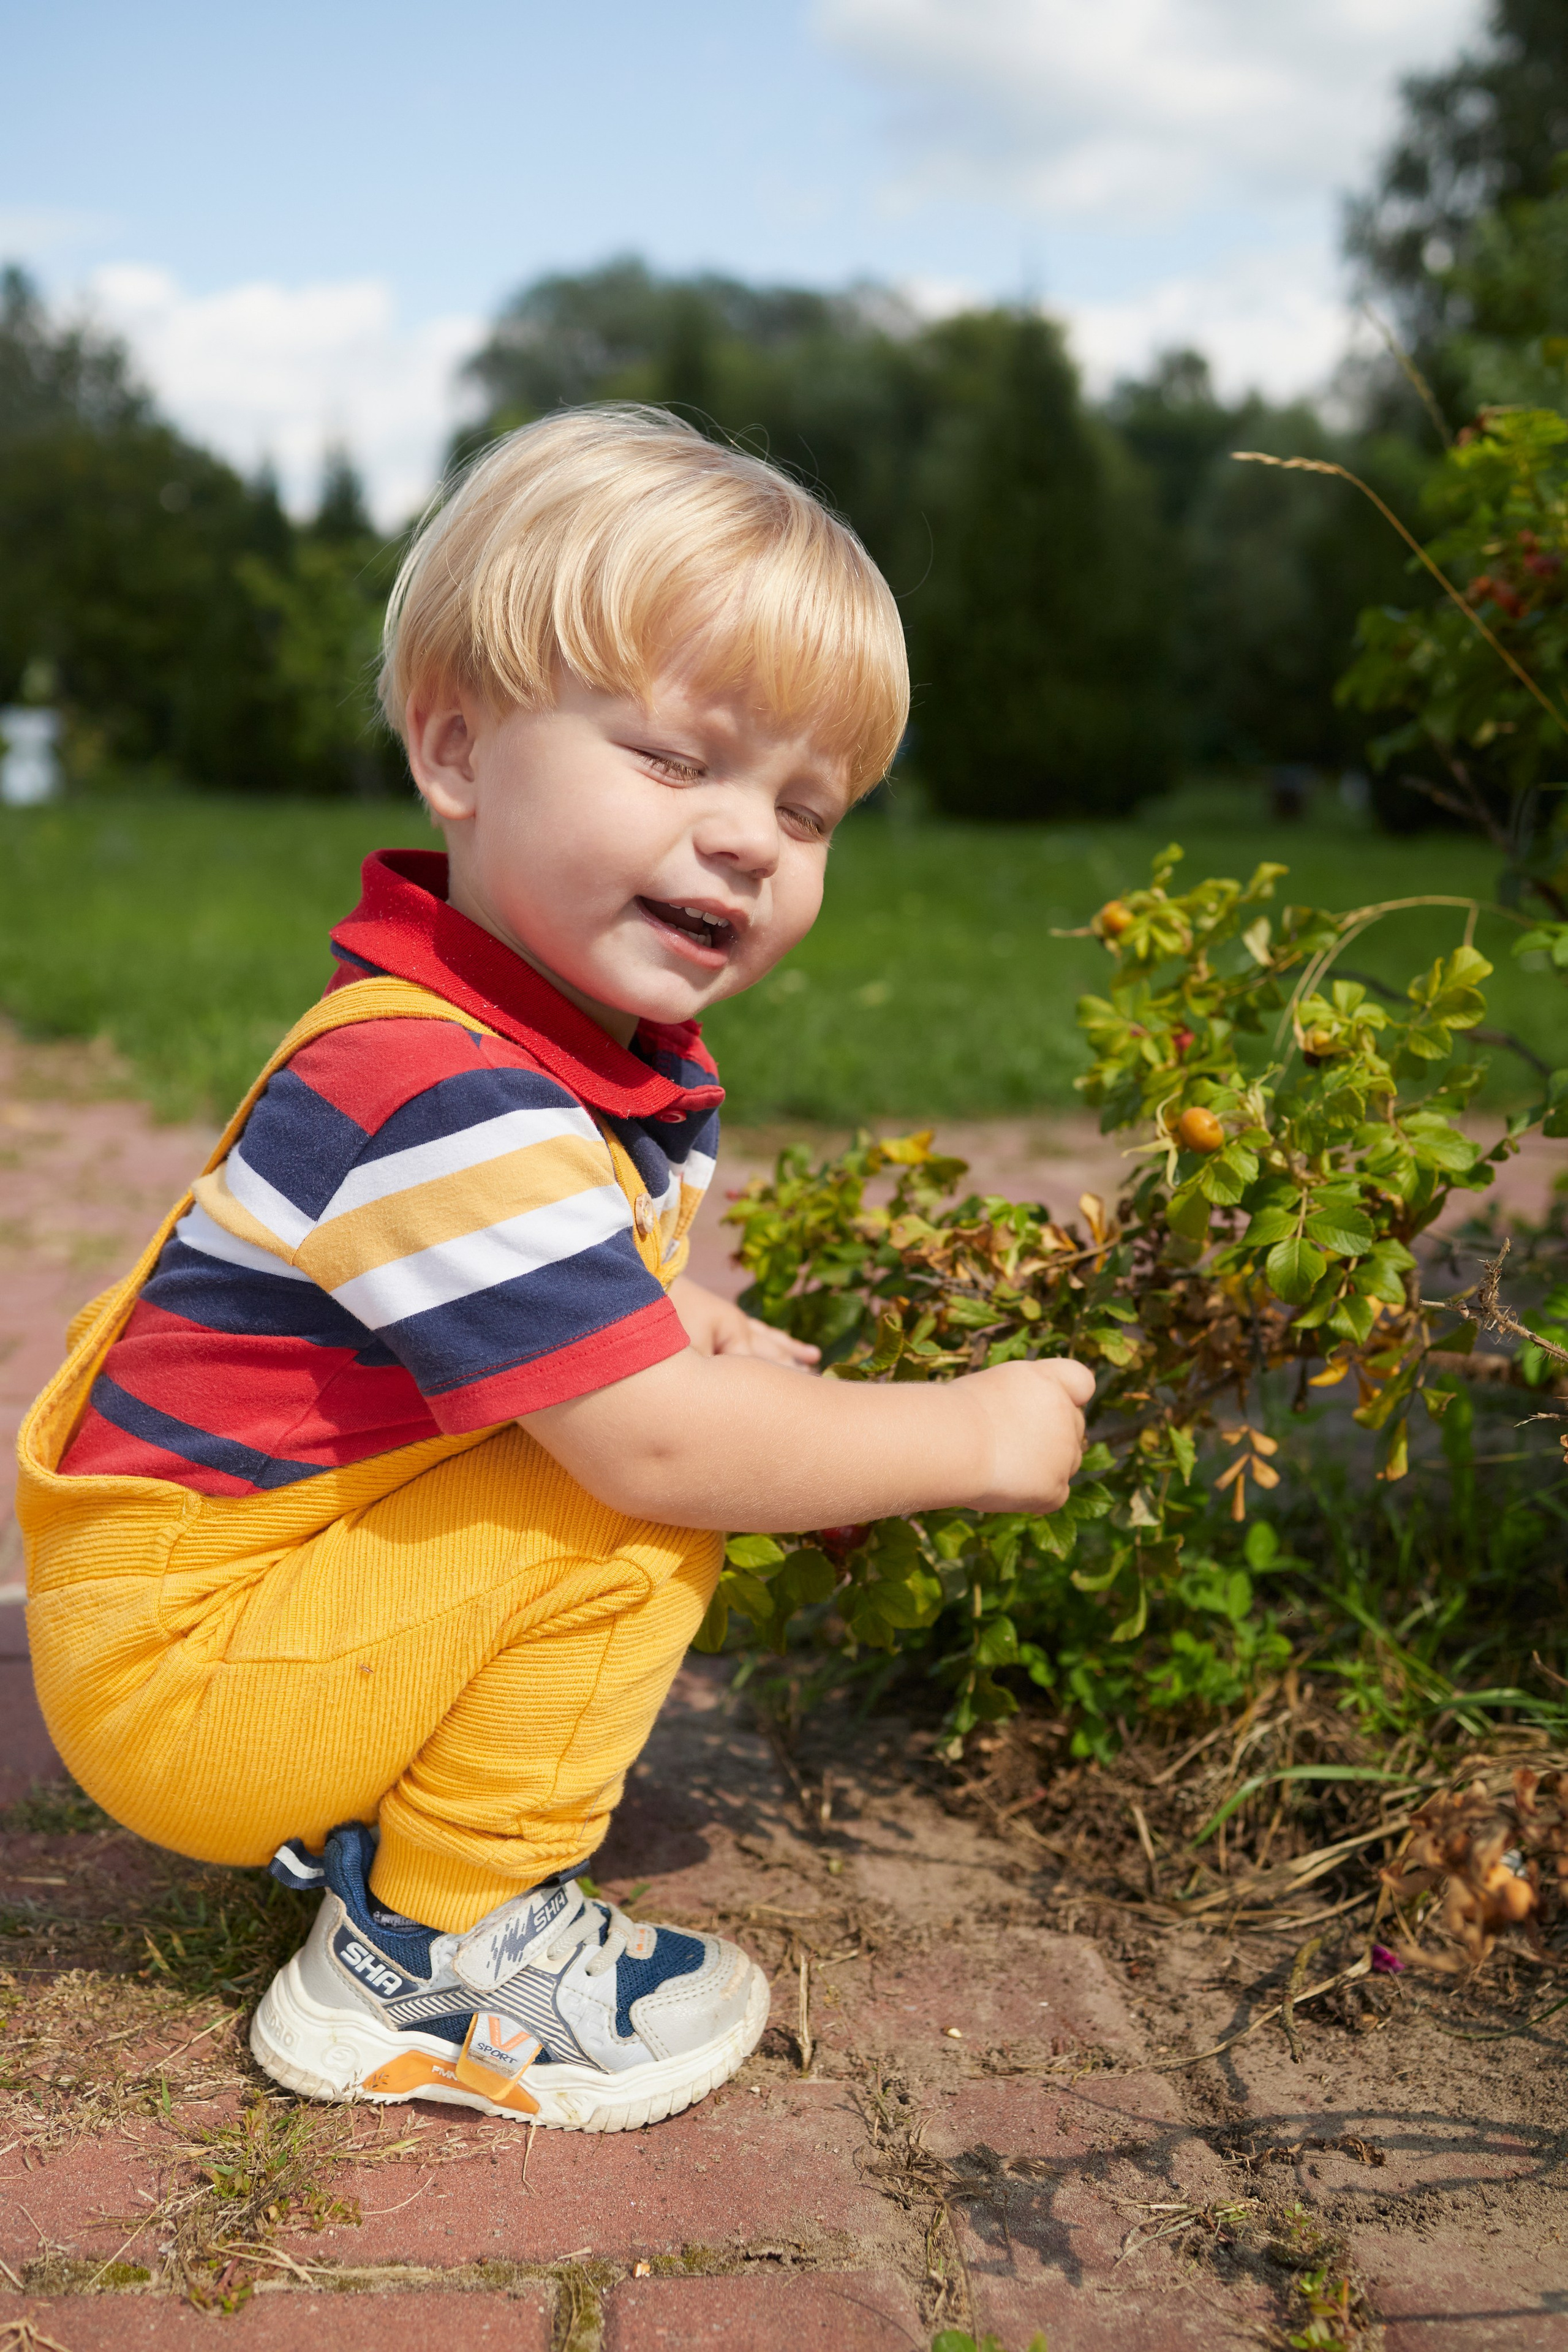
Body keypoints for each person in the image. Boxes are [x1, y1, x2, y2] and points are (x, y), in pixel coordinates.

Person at [17, 407, 1093, 2133]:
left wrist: (673, 1317)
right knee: (651, 1484)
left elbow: (480, 1300)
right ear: (455, 748)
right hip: (191, 1674)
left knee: (646, 1401)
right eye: (675, 762)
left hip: (206, 1614)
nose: (748, 836)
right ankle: (425, 1958)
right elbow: (655, 1446)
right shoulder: (440, 1082)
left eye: (805, 807)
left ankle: (380, 1822)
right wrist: (967, 1435)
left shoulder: (499, 1044)